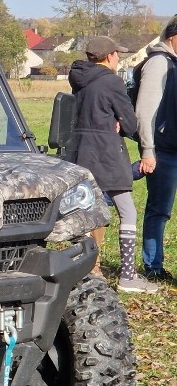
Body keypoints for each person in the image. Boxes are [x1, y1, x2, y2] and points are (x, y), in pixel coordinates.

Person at [65, 36, 156, 293]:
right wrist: (120, 123)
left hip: (81, 153)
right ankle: (127, 275)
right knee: (127, 211)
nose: (119, 59)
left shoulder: (79, 78)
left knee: (88, 213)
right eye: (117, 54)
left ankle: (86, 268)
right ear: (108, 56)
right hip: (106, 153)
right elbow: (130, 123)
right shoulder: (111, 81)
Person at [134, 15, 177, 282]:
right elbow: (145, 111)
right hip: (164, 150)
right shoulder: (159, 63)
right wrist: (148, 149)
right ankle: (153, 266)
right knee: (159, 210)